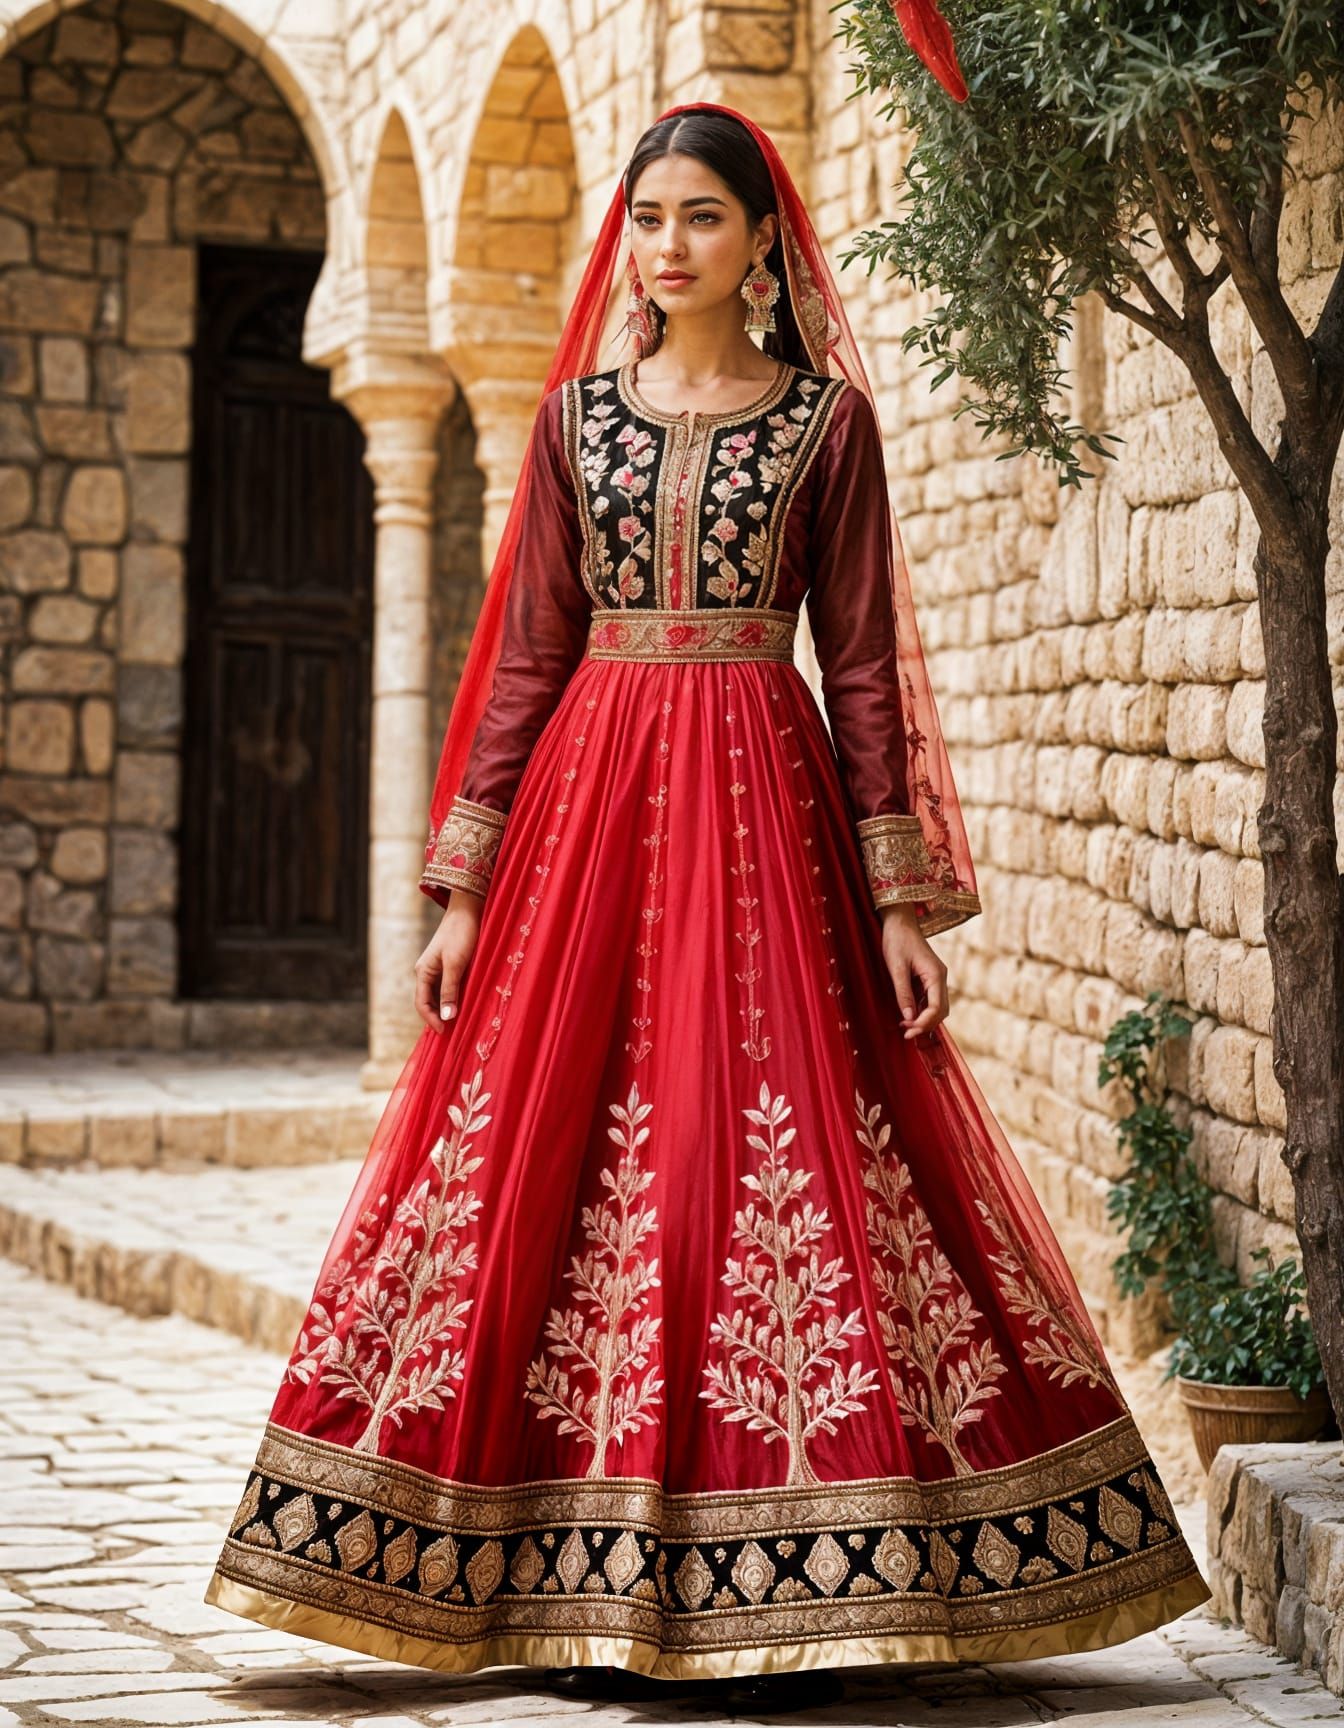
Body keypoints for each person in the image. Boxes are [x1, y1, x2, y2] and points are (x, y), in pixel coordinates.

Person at [203, 102, 1210, 1715]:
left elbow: (867, 663)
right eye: (650, 216)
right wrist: (462, 880)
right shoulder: (575, 425)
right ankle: (533, 1570)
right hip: (585, 817)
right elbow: (529, 650)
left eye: (703, 218)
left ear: (760, 239)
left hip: (765, 811)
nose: (669, 245)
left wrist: (898, 898)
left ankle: (795, 1565)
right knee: (552, 1151)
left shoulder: (826, 428)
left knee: (751, 1149)